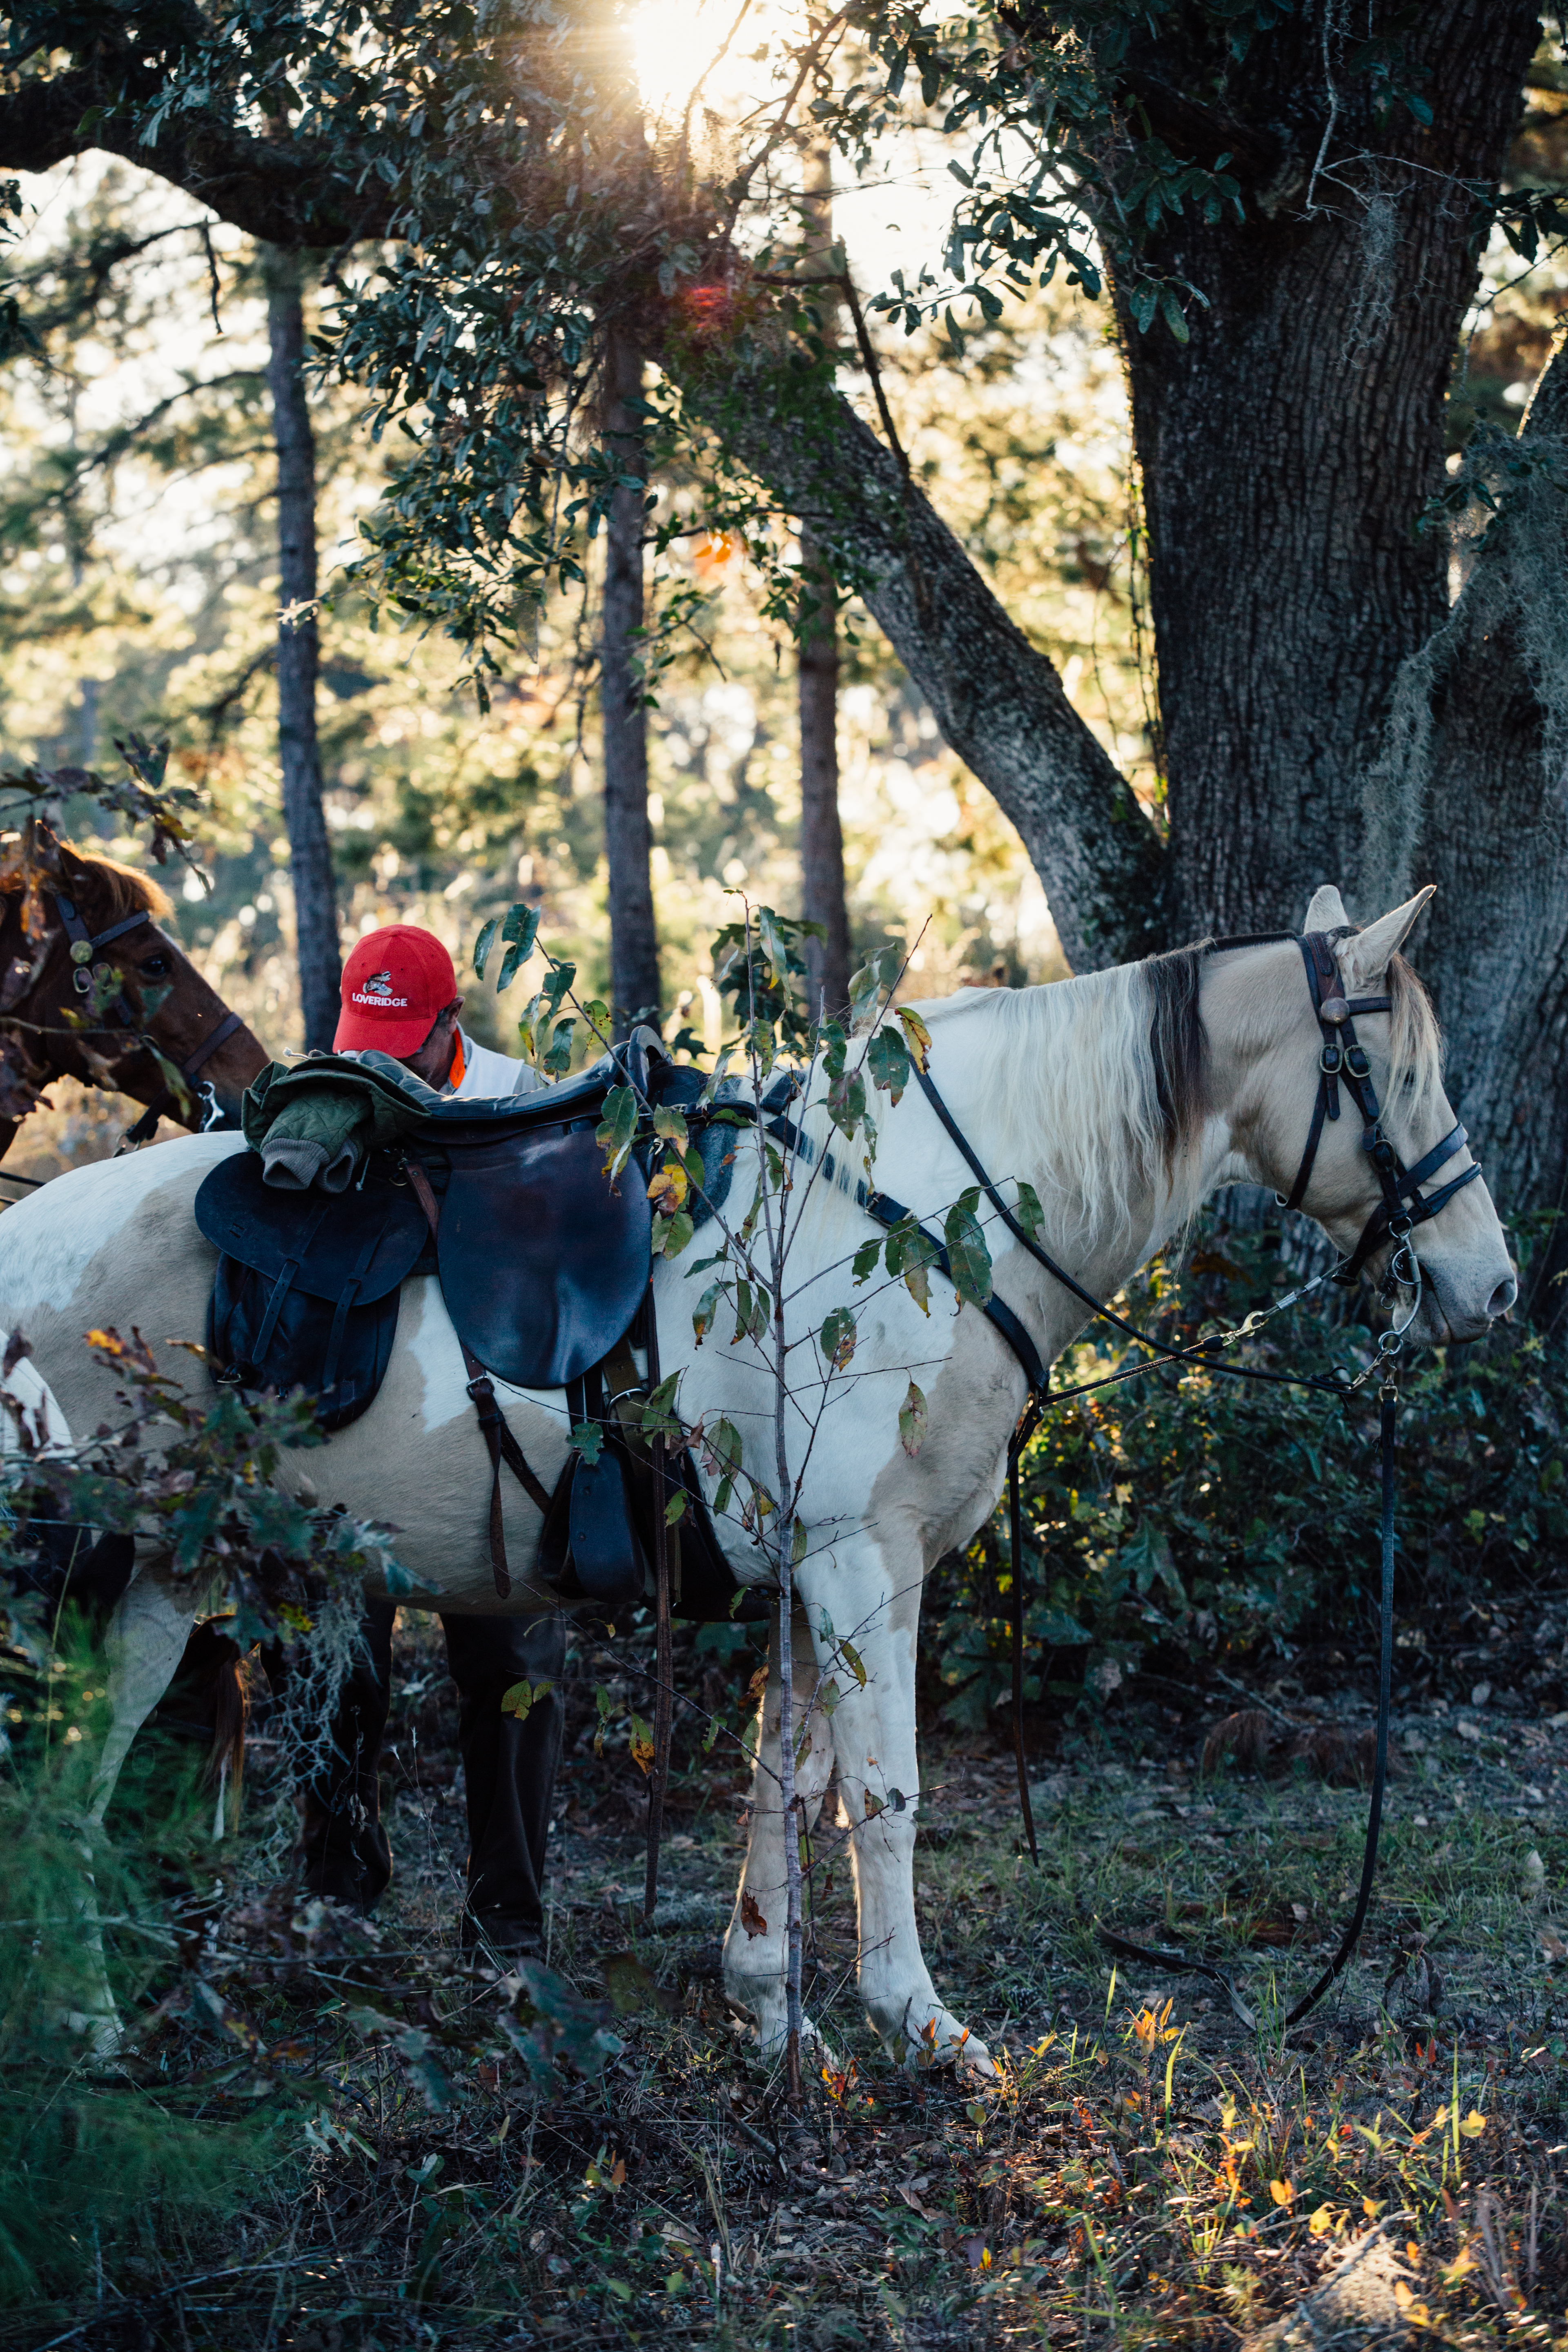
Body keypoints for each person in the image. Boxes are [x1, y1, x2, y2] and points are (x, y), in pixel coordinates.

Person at [297, 924, 566, 1960]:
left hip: (496, 1427)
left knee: (512, 1665)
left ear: (452, 1023)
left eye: (399, 1039)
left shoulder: (522, 1096)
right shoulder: (336, 1093)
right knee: (336, 1658)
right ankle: (336, 1899)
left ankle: (507, 1923)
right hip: (360, 1417)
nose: (377, 1057)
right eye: (362, 1033)